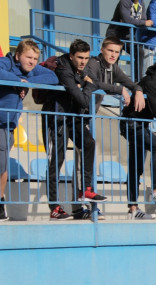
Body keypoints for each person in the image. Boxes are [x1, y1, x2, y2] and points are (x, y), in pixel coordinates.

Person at [44, 39, 107, 221]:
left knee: (89, 143)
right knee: (57, 159)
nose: (83, 61)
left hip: (73, 117)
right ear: (71, 56)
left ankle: (86, 189)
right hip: (56, 118)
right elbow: (83, 99)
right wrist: (86, 86)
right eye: (79, 57)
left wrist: (86, 85)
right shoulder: (63, 68)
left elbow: (93, 83)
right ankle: (54, 207)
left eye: (86, 58)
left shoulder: (84, 68)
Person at [0, 39, 58, 222]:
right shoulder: (6, 63)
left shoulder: (31, 70)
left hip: (9, 125)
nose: (32, 62)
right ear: (18, 56)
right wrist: (17, 81)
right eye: (28, 57)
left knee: (3, 166)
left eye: (35, 58)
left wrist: (27, 81)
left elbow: (52, 77)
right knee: (2, 165)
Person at [120, 51, 156, 220]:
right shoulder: (152, 81)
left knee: (136, 167)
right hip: (130, 122)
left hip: (141, 124)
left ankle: (133, 209)